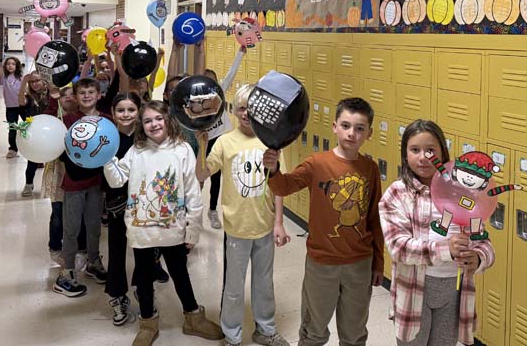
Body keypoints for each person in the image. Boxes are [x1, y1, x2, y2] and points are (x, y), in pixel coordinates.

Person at [262, 97, 384, 346]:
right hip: (322, 263)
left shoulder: (370, 168)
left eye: (359, 128)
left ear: (369, 133)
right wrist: (273, 169)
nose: (352, 133)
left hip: (359, 264)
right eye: (346, 126)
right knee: (313, 332)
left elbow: (374, 218)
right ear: (335, 127)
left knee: (355, 334)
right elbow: (284, 187)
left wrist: (378, 263)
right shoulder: (316, 163)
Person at [103, 100, 223, 345]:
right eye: (147, 120)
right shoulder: (136, 150)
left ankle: (193, 318)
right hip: (141, 230)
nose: (154, 124)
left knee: (180, 273)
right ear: (141, 125)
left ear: (168, 120)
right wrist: (106, 159)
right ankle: (147, 323)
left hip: (173, 228)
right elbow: (116, 180)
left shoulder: (182, 149)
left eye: (158, 118)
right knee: (144, 276)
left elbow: (192, 193)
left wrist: (193, 230)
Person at [379, 120, 495, 346]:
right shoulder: (397, 194)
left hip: (454, 289)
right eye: (415, 150)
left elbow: (483, 240)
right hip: (414, 291)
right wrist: (446, 250)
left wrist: (479, 257)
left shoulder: (462, 192)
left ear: (443, 152)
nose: (423, 157)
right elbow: (398, 247)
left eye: (430, 150)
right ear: (405, 155)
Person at [196, 84, 290, 346]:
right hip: (237, 228)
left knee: (264, 283)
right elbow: (203, 173)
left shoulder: (272, 142)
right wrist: (201, 146)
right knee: (234, 287)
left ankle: (266, 330)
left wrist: (279, 223)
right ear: (234, 111)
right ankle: (232, 335)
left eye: (252, 109)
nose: (246, 113)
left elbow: (279, 185)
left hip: (264, 225)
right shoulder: (225, 141)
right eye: (241, 108)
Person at [53, 77, 110, 298]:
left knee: (94, 225)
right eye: (82, 93)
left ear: (99, 95)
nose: (87, 96)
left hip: (96, 183)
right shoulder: (67, 121)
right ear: (75, 97)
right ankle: (67, 271)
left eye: (91, 92)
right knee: (72, 228)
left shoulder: (106, 121)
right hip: (74, 183)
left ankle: (93, 261)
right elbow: (59, 150)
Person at [104, 92, 143, 326]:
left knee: (145, 249)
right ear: (113, 112)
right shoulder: (107, 137)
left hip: (144, 202)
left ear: (139, 111)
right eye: (121, 110)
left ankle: (143, 288)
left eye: (131, 110)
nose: (126, 114)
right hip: (117, 202)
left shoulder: (146, 136)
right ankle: (117, 296)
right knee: (117, 250)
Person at [41, 85, 87, 267]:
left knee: (80, 213)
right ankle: (55, 247)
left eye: (71, 94)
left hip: (79, 171)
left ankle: (81, 248)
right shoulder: (55, 117)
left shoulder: (83, 117)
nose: (68, 97)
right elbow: (46, 123)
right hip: (58, 172)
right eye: (63, 95)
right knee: (58, 213)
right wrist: (53, 101)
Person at [201, 44, 245, 230]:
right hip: (206, 141)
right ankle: (194, 211)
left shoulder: (219, 91)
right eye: (206, 81)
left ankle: (213, 211)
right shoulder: (197, 100)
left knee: (218, 178)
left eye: (213, 81)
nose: (210, 85)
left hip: (223, 139)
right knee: (201, 177)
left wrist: (241, 52)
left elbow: (231, 73)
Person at [0, 51, 24, 158]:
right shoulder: (4, 78)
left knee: (30, 126)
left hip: (23, 106)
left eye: (13, 64)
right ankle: (13, 149)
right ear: (5, 66)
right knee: (12, 129)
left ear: (17, 66)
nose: (10, 66)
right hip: (11, 107)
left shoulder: (21, 78)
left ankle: (33, 146)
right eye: (8, 64)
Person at [17, 72, 49, 196]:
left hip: (49, 131)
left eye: (37, 81)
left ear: (43, 81)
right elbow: (21, 102)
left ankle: (50, 186)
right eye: (31, 82)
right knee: (32, 161)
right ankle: (28, 185)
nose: (34, 84)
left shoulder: (49, 95)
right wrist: (23, 82)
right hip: (34, 132)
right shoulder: (29, 97)